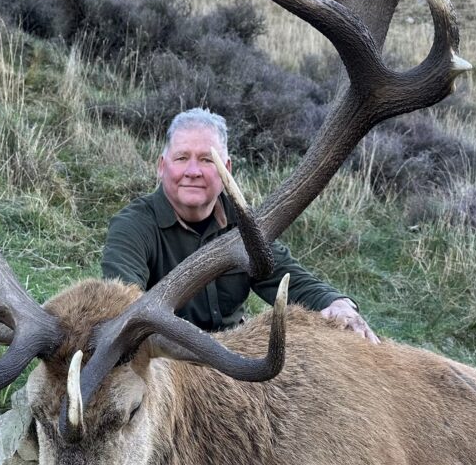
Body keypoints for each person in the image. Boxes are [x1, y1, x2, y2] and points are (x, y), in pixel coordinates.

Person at [102, 108, 378, 342]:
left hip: (235, 356)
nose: (193, 171)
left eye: (207, 159)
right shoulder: (133, 226)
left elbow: (288, 277)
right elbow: (123, 306)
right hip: (165, 360)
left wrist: (338, 304)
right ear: (162, 166)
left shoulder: (245, 226)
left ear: (227, 168)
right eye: (182, 157)